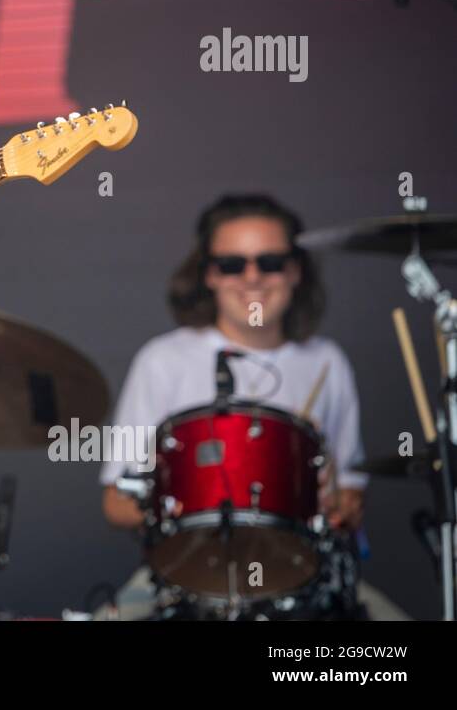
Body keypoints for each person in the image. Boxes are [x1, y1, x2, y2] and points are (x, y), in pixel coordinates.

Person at [97, 193, 409, 619]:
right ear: (209, 274)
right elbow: (116, 500)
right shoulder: (162, 360)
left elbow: (351, 495)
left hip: (304, 573)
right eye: (231, 264)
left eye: (270, 262)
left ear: (295, 271)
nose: (252, 277)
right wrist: (180, 501)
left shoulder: (326, 361)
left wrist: (338, 500)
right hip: (187, 571)